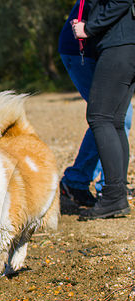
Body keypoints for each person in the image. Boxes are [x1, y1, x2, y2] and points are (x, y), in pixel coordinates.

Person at [58, 0, 132, 208]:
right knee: (111, 117)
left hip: (103, 49)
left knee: (114, 117)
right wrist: (88, 29)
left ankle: (104, 185)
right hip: (81, 51)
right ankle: (87, 183)